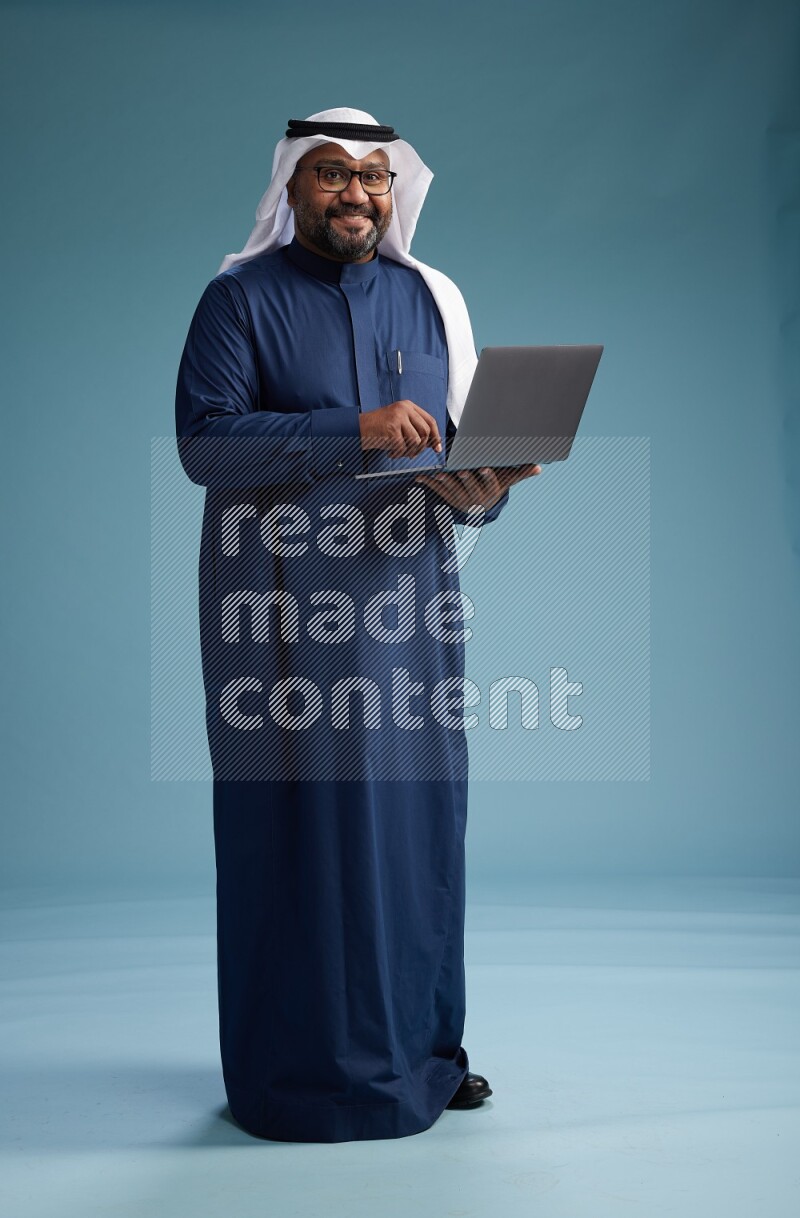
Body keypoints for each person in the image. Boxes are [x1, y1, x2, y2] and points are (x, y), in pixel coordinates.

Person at [175, 107, 540, 1143]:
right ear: (290, 188)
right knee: (297, 828)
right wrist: (352, 431)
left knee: (416, 828)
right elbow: (204, 446)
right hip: (279, 612)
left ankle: (421, 1056)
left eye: (375, 179)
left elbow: (460, 467)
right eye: (333, 175)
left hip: (408, 607)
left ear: (396, 193)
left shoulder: (431, 302)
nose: (356, 195)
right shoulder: (236, 300)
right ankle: (296, 1075)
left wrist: (486, 488)